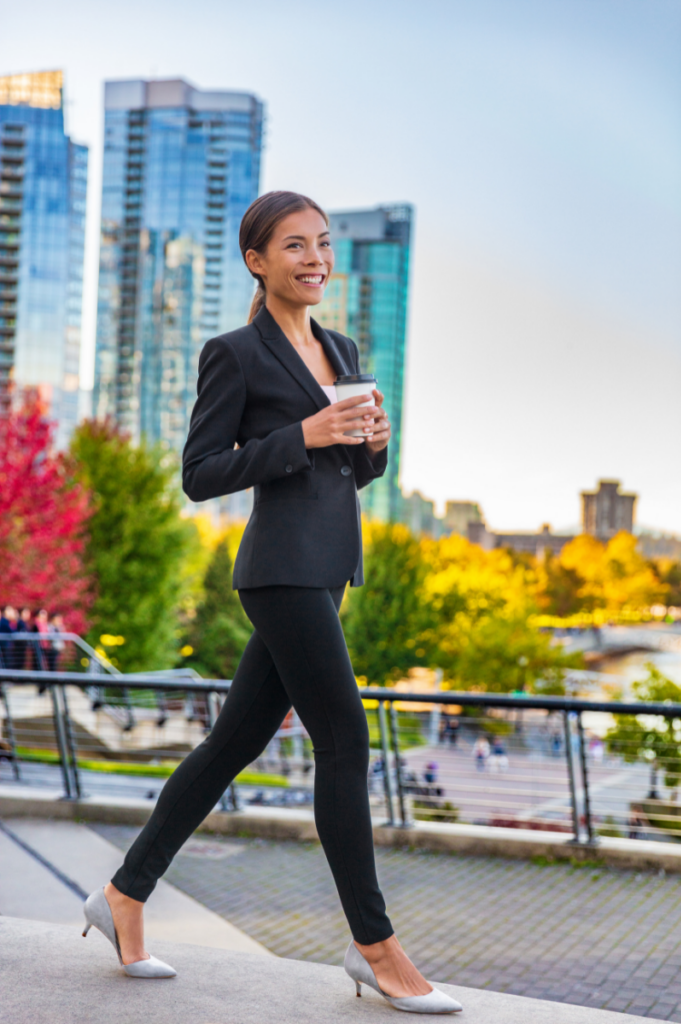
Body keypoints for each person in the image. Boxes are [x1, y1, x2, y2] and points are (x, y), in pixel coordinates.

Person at [83, 192, 461, 1014]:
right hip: (279, 568)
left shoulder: (341, 346)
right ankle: (375, 947)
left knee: (231, 744)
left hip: (330, 569)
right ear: (258, 260)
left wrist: (372, 449)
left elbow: (352, 475)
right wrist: (303, 438)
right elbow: (200, 472)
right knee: (345, 736)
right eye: (295, 246)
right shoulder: (235, 354)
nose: (315, 259)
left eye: (322, 245)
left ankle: (123, 894)